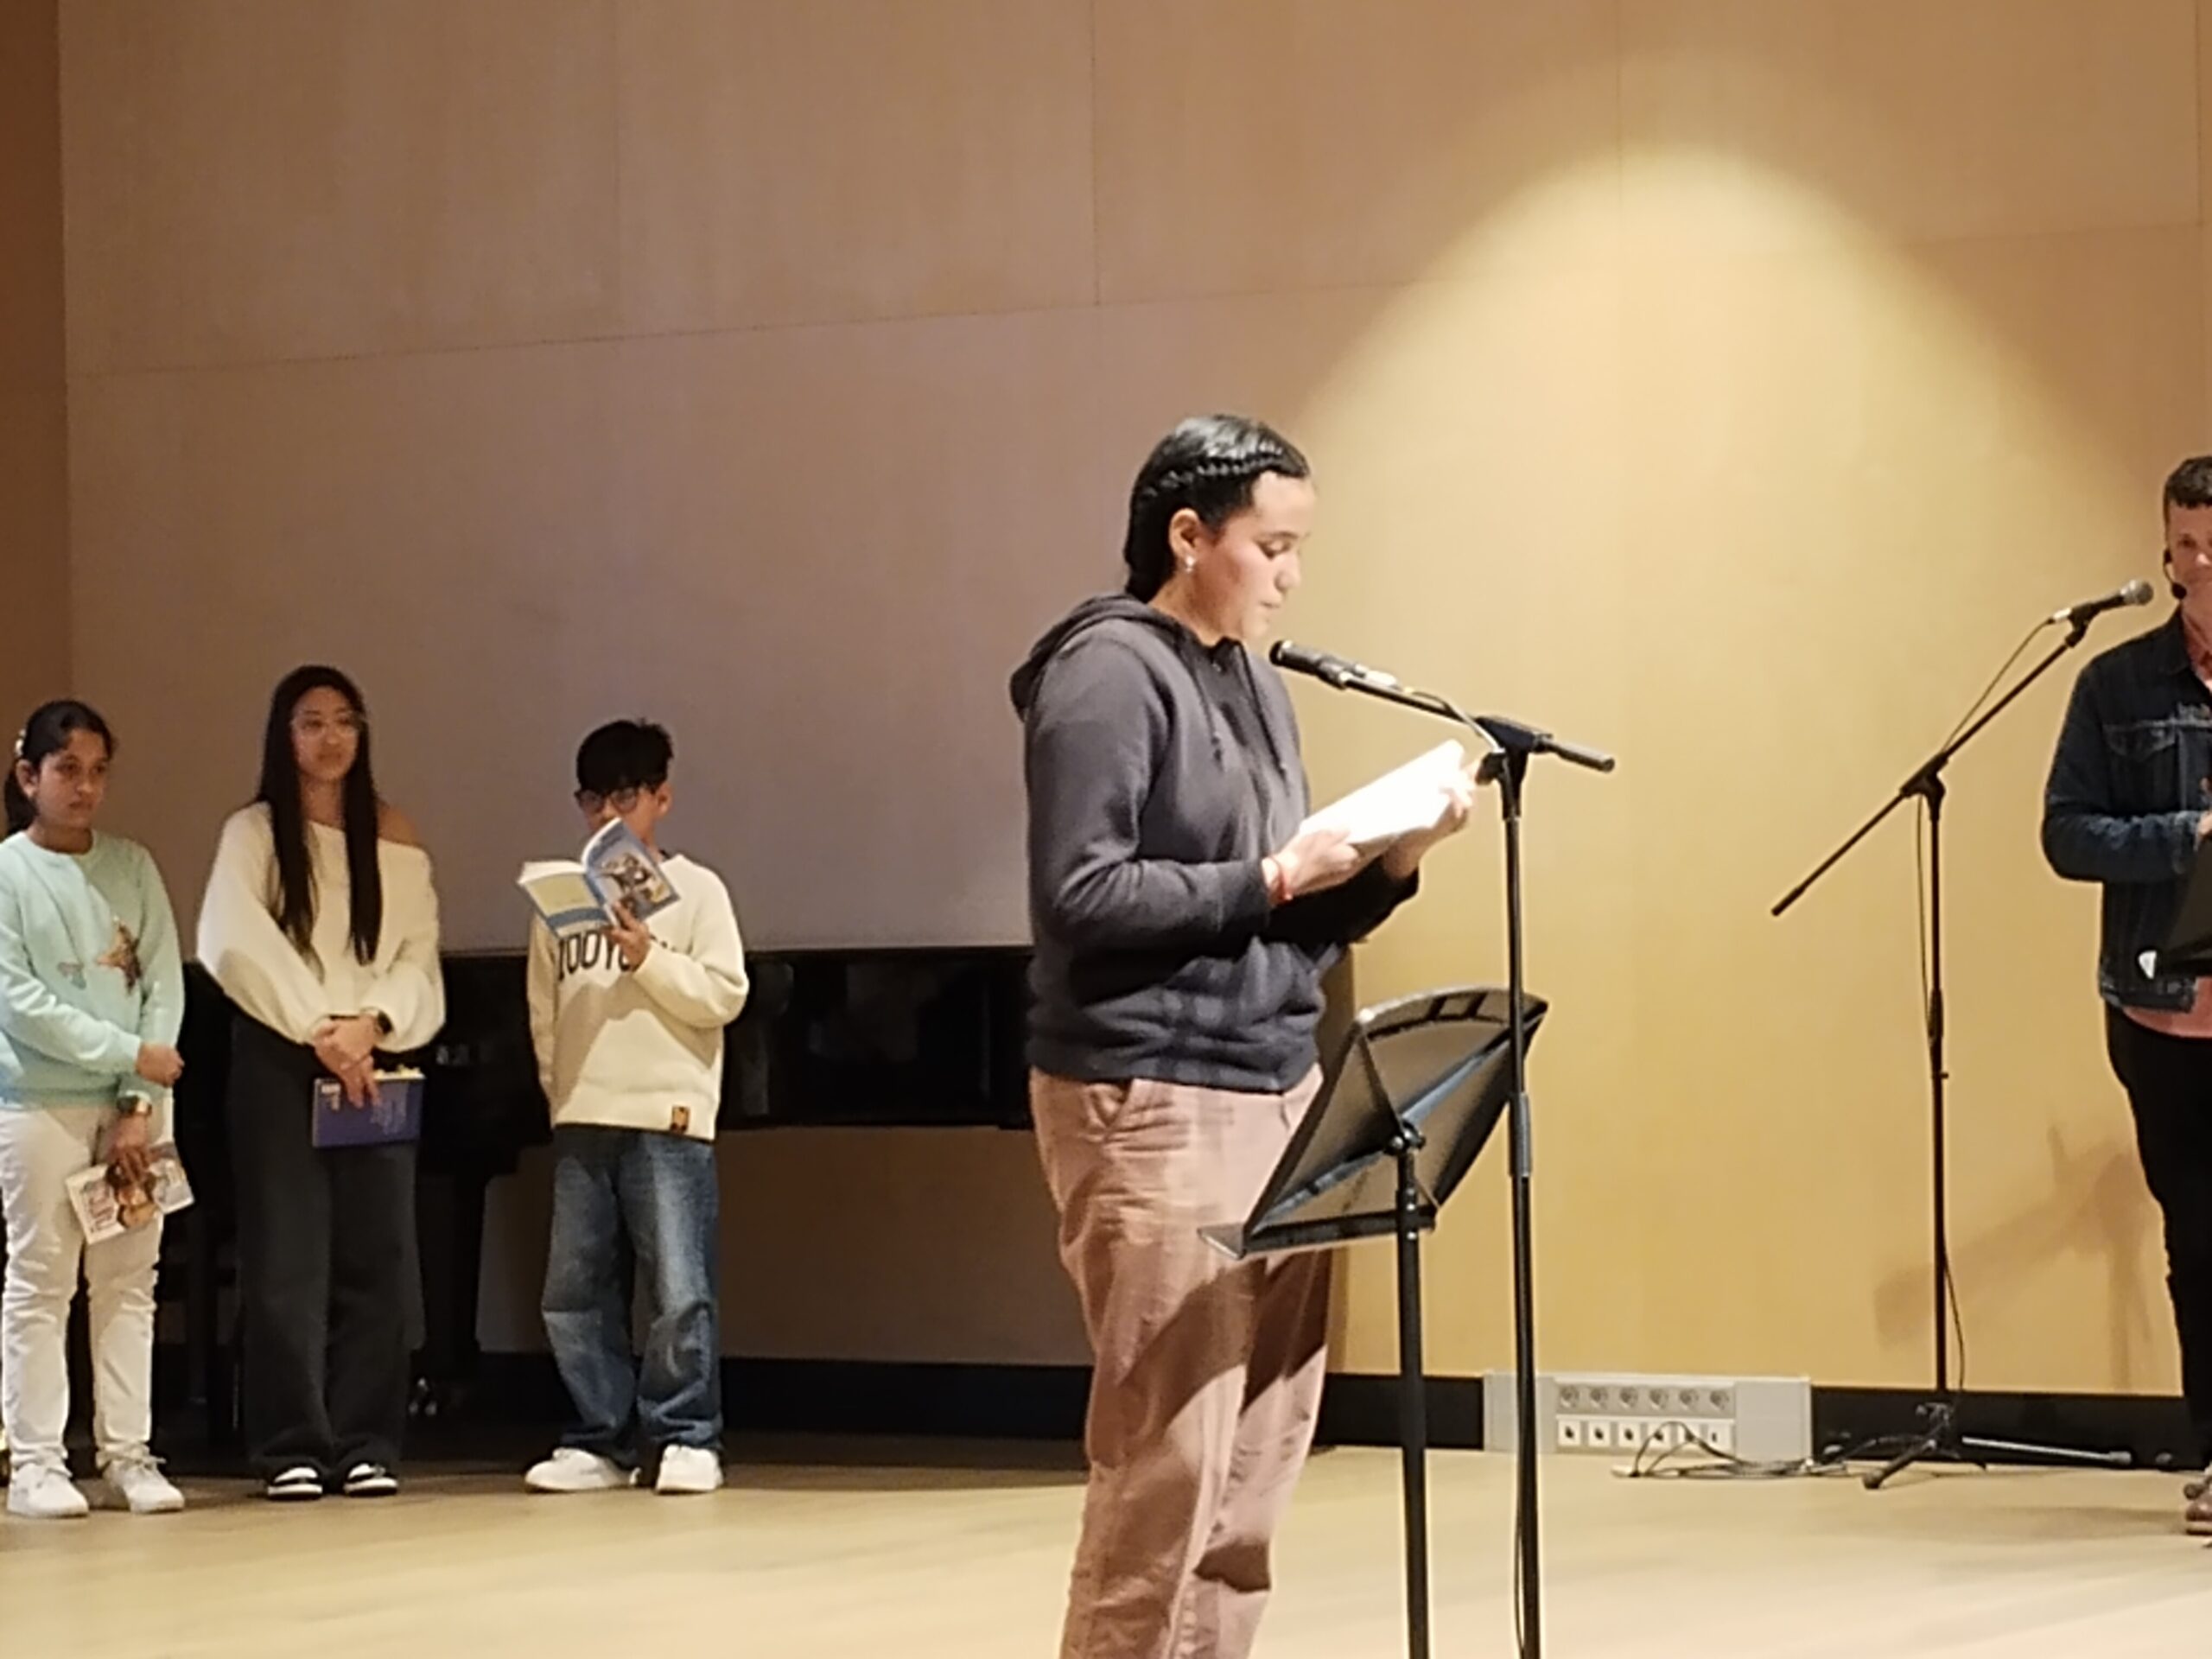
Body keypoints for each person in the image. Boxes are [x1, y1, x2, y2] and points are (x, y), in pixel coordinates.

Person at [1010, 414, 1477, 1657]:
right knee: (1170, 1455)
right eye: (1271, 547)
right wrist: (1274, 874)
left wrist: (1389, 863)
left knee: (1258, 1455)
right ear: (1187, 535)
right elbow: (1081, 895)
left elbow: (1279, 924)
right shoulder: (1107, 671)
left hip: (1277, 1083)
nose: (1290, 575)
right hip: (1153, 1090)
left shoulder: (1256, 684)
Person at [196, 665, 445, 1501]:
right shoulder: (255, 832)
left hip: (376, 1054)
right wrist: (318, 1028)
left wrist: (372, 1024)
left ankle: (367, 1439)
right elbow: (233, 940)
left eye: (345, 720)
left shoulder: (394, 831)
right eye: (312, 722)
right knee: (287, 1259)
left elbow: (416, 955)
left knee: (380, 1257)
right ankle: (290, 1443)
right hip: (282, 1055)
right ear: (284, 735)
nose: (331, 738)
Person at [2044, 454, 2212, 1535]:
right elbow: (2067, 834)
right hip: (2163, 1012)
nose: (2200, 567)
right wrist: (2189, 835)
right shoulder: (2116, 684)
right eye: (2185, 546)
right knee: (2198, 1242)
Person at [523, 720, 748, 1497]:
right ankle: (600, 1436)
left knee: (679, 1286)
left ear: (662, 798)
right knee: (574, 1289)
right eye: (594, 801)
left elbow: (723, 994)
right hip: (585, 1110)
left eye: (625, 798)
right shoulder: (559, 901)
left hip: (667, 1111)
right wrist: (561, 1093)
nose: (608, 816)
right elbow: (545, 1011)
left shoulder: (699, 891)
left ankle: (686, 1434)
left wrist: (648, 957)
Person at [0, 700, 186, 1518]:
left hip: (133, 1105)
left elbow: (162, 987)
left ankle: (128, 1453)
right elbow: (21, 1001)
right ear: (28, 776)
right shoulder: (8, 872)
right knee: (42, 1280)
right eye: (67, 770)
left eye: (98, 772)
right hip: (40, 1102)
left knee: (129, 1281)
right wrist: (125, 1055)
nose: (84, 788)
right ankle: (38, 1460)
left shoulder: (133, 866)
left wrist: (139, 1098)